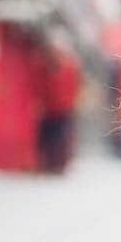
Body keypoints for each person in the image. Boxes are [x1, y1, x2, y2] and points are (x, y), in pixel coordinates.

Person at [37, 44, 82, 173]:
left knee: (61, 139)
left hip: (64, 109)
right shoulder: (48, 67)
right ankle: (49, 164)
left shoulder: (69, 68)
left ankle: (60, 165)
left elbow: (74, 88)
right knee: (49, 139)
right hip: (50, 110)